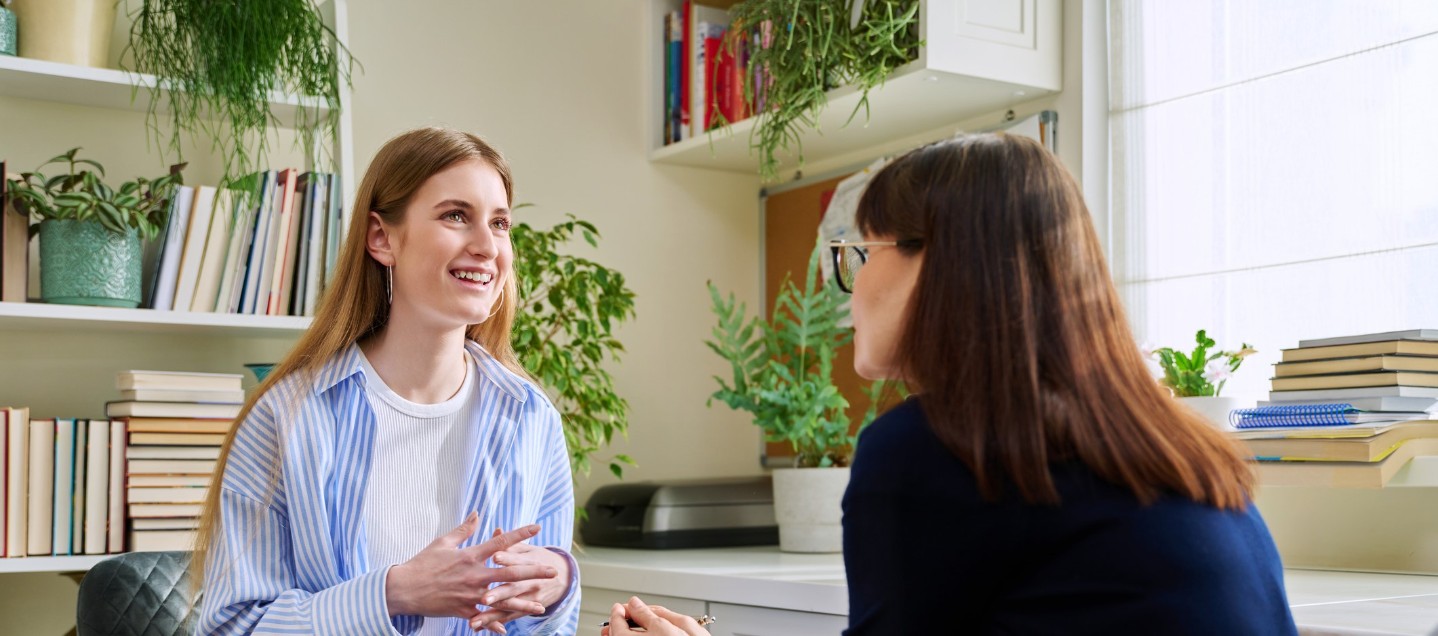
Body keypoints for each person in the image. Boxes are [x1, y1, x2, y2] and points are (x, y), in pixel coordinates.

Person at [611, 132, 1296, 636]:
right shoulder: (1178, 452)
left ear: (940, 265)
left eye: (860, 252)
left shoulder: (931, 453)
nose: (846, 289)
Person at [194, 127, 580, 635]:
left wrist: (557, 588)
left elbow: (546, 628)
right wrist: (393, 594)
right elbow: (229, 627)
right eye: (456, 216)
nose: (488, 246)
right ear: (382, 238)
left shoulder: (532, 418)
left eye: (501, 223)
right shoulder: (286, 418)